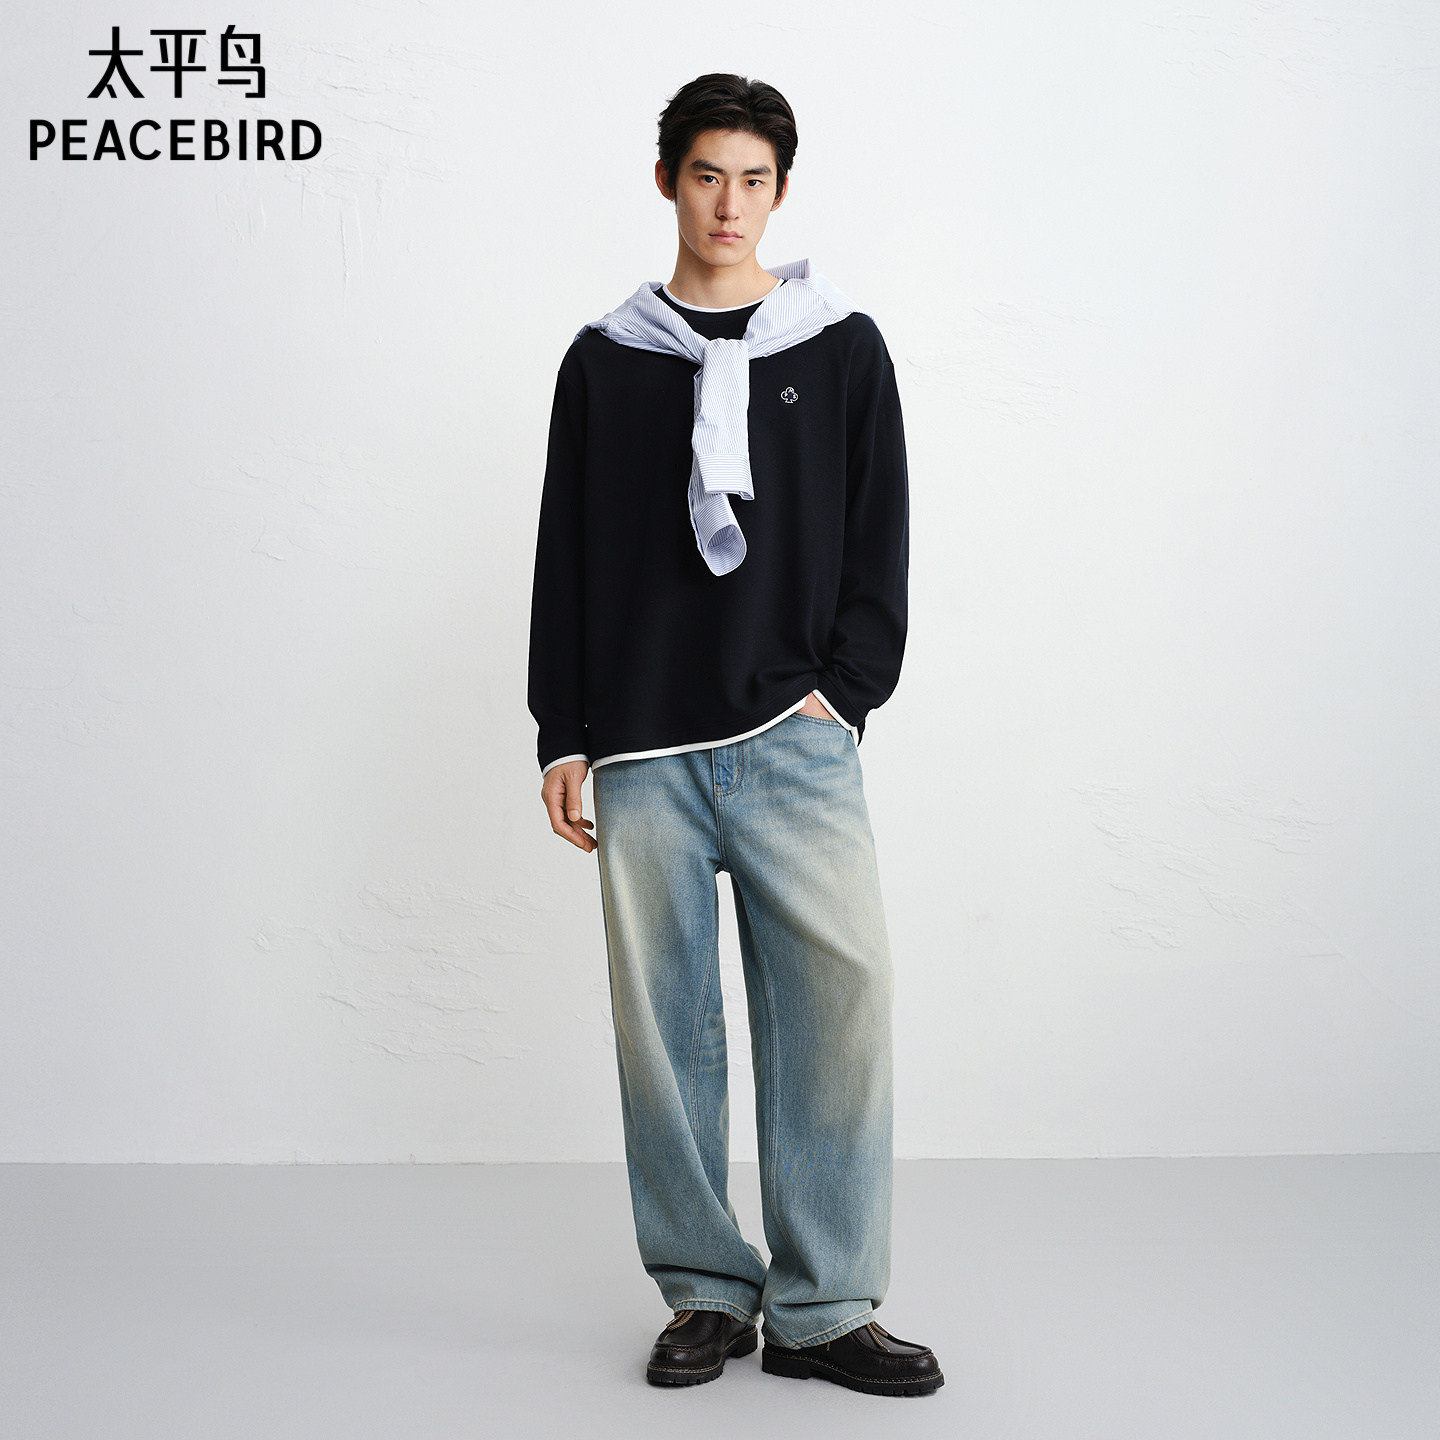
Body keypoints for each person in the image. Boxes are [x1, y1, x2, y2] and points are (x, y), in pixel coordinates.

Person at [526, 72, 942, 1399]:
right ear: (668, 182)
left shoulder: (840, 346)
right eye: (707, 175)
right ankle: (706, 1292)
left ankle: (825, 1308)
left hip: (793, 735)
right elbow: (564, 552)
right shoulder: (608, 359)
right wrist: (561, 733)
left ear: (780, 191)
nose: (729, 204)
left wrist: (848, 690)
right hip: (642, 744)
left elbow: (880, 526)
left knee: (839, 1006)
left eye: (753, 180)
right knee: (667, 1032)